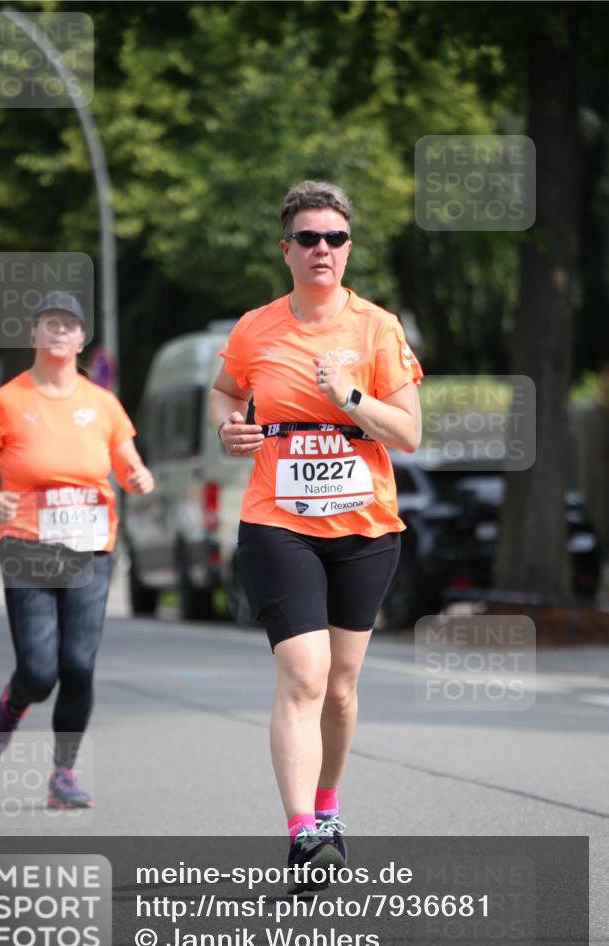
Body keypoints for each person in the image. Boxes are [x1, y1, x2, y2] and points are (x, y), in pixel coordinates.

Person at [209, 181, 423, 889]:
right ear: (286, 250)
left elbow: (410, 434)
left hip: (363, 525)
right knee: (301, 675)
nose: (321, 249)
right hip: (277, 523)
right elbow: (223, 389)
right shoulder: (255, 327)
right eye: (308, 238)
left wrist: (349, 398)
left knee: (338, 687)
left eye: (333, 238)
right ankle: (302, 834)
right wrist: (227, 426)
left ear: (347, 248)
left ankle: (327, 808)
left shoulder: (376, 328)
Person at [0, 291, 154, 808]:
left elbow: (127, 466)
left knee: (78, 665)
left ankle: (62, 777)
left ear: (81, 338)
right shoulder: (7, 400)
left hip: (91, 547)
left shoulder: (103, 403)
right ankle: (12, 703)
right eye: (51, 324)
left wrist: (138, 475)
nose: (61, 332)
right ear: (34, 336)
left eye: (70, 325)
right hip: (27, 544)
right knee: (40, 670)